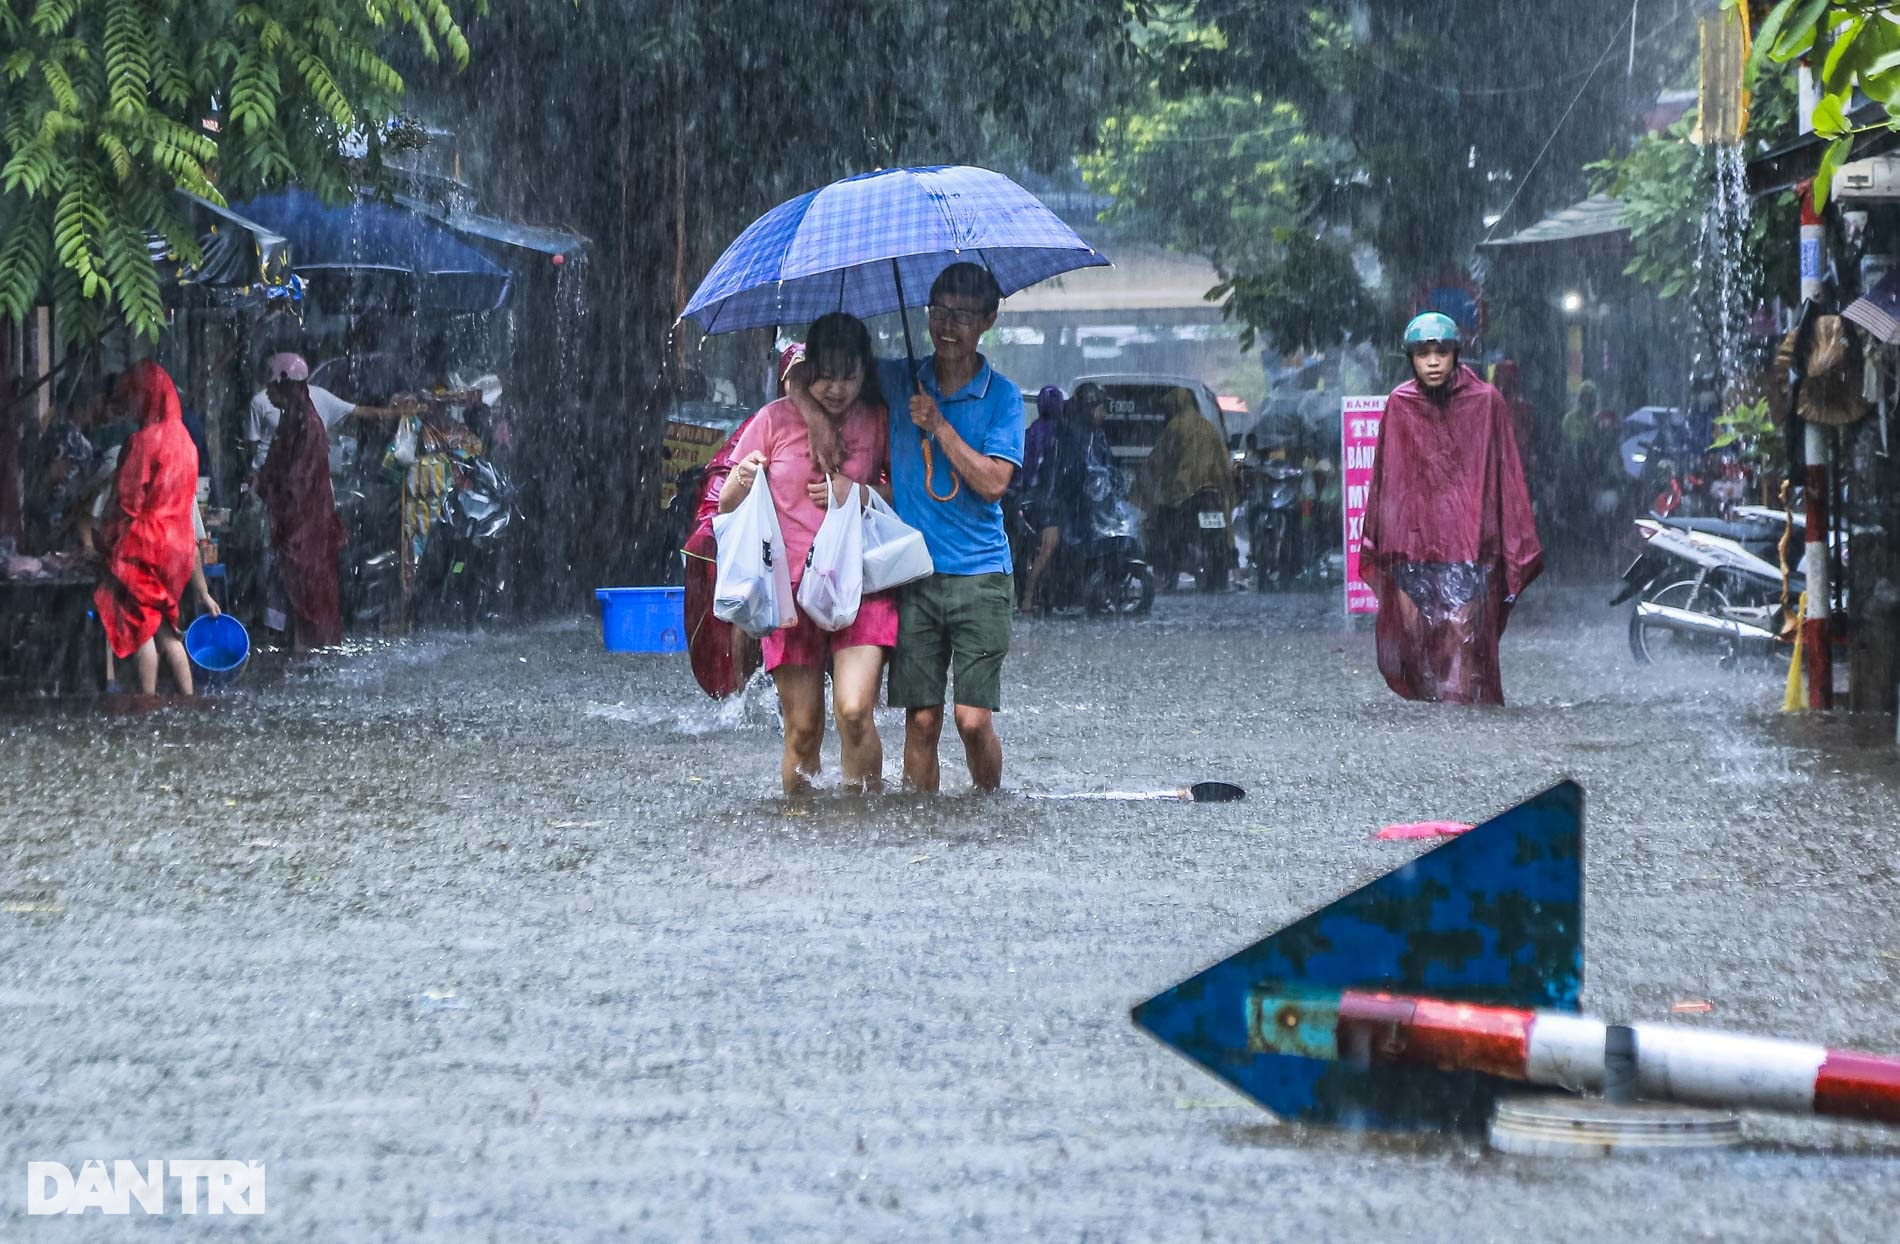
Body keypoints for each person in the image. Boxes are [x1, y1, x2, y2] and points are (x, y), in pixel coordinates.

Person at [792, 263, 1023, 792]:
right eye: (938, 311)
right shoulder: (899, 378)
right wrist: (815, 416)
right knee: (920, 720)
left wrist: (938, 424)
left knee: (972, 720)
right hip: (913, 578)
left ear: (987, 320)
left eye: (962, 315)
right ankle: (924, 830)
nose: (947, 325)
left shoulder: (1003, 397)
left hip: (981, 576)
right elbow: (810, 368)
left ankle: (990, 806)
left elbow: (992, 484)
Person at [718, 315, 895, 796]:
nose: (836, 389)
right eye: (825, 374)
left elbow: (903, 497)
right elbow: (726, 502)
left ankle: (865, 821)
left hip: (861, 589)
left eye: (849, 375)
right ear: (806, 369)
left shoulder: (879, 418)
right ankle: (801, 825)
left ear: (866, 372)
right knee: (803, 729)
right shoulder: (773, 419)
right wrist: (743, 478)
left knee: (855, 711)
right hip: (790, 596)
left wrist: (858, 491)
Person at [1360, 312, 1543, 706]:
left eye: (1440, 352)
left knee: (1462, 636)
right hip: (1412, 543)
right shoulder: (1400, 403)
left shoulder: (1486, 402)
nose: (1432, 361)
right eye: (1423, 353)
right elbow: (1386, 479)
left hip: (1468, 545)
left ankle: (1459, 728)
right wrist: (1384, 539)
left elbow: (1504, 471)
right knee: (1416, 637)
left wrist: (1507, 539)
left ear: (1455, 354)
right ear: (1410, 357)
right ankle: (1433, 730)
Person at [91, 362, 204, 696]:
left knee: (142, 631)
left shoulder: (143, 441)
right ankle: (189, 699)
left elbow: (125, 502)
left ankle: (147, 703)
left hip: (144, 548)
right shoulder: (186, 441)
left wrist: (107, 541)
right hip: (177, 550)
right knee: (168, 630)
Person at [256, 360, 348, 650]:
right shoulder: (292, 419)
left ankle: (311, 652)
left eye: (272, 385)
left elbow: (298, 479)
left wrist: (269, 488)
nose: (267, 393)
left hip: (306, 527)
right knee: (299, 591)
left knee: (309, 592)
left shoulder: (307, 424)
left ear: (286, 384)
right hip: (299, 524)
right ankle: (301, 649)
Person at [1137, 387, 1236, 590]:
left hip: (1183, 493)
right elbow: (1223, 462)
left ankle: (1167, 565)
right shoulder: (1208, 428)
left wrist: (1143, 481)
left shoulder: (1175, 427)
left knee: (1163, 527)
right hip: (1212, 491)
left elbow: (1158, 460)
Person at [1015, 385, 1071, 613]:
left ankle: (1030, 595)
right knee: (1048, 548)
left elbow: (1024, 470)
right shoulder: (1060, 433)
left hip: (1030, 501)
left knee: (1034, 550)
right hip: (1049, 502)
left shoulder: (1031, 433)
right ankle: (1028, 597)